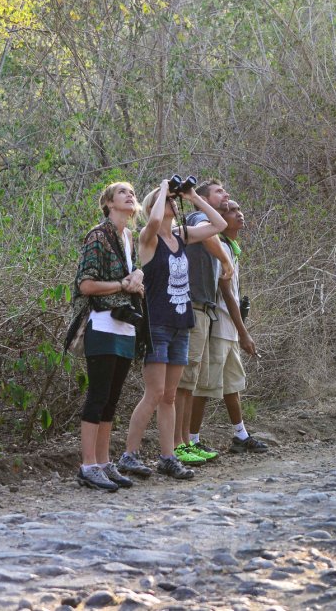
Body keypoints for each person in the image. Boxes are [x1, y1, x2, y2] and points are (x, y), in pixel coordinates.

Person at [117, 179, 226, 480]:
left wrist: (192, 196)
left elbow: (217, 224)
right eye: (168, 201)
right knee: (153, 394)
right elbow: (152, 220)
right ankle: (129, 455)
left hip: (181, 324)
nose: (172, 205)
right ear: (155, 205)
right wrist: (164, 186)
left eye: (173, 202)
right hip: (157, 325)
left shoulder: (182, 236)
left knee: (169, 396)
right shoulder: (148, 238)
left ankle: (168, 457)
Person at [71, 182, 146, 492]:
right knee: (98, 396)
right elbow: (85, 285)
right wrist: (122, 285)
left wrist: (138, 277)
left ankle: (103, 462)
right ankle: (87, 465)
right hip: (102, 324)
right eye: (122, 193)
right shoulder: (97, 236)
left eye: (131, 193)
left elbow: (136, 272)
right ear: (109, 204)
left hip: (126, 326)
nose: (130, 196)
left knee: (112, 400)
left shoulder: (130, 237)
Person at [174, 178, 235, 464]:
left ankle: (186, 442)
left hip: (202, 309)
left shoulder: (206, 218)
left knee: (190, 382)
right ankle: (178, 444)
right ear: (204, 198)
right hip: (191, 307)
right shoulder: (199, 216)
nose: (225, 195)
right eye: (219, 192)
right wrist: (225, 260)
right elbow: (209, 236)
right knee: (183, 381)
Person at [199, 199, 267, 453]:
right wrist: (244, 332)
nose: (239, 214)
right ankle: (192, 440)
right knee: (204, 387)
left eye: (239, 209)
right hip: (219, 326)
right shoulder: (218, 247)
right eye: (231, 211)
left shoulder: (231, 246)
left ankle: (240, 434)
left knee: (232, 384)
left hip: (229, 328)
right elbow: (226, 293)